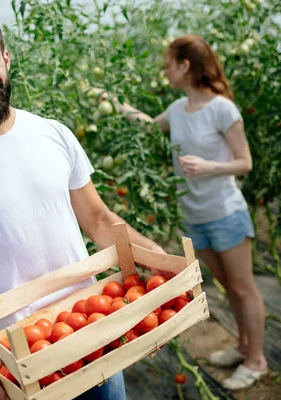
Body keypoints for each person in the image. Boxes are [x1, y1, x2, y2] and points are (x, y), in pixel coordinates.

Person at [0, 4, 165, 399]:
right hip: (21, 359)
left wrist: (157, 258)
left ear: (6, 59)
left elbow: (97, 219)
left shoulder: (53, 135)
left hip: (94, 330)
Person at [111, 34, 267, 390]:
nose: (164, 71)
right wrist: (116, 106)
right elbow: (150, 127)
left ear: (185, 66)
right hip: (193, 215)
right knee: (228, 286)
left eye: (168, 64)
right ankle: (243, 346)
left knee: (243, 288)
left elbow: (245, 163)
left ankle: (257, 359)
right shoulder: (179, 110)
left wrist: (208, 166)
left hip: (226, 213)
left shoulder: (222, 109)